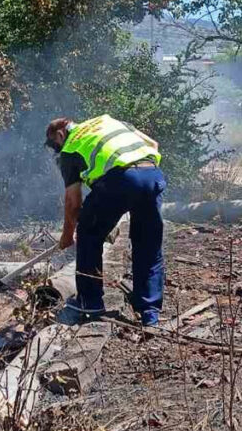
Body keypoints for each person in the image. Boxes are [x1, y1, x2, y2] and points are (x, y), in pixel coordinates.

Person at [45, 115, 166, 326]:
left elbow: (73, 202)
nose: (57, 150)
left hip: (120, 180)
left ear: (60, 134)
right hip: (152, 174)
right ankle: (150, 313)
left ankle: (89, 301)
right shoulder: (106, 121)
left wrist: (67, 236)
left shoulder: (70, 148)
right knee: (148, 244)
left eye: (55, 144)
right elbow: (153, 145)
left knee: (88, 234)